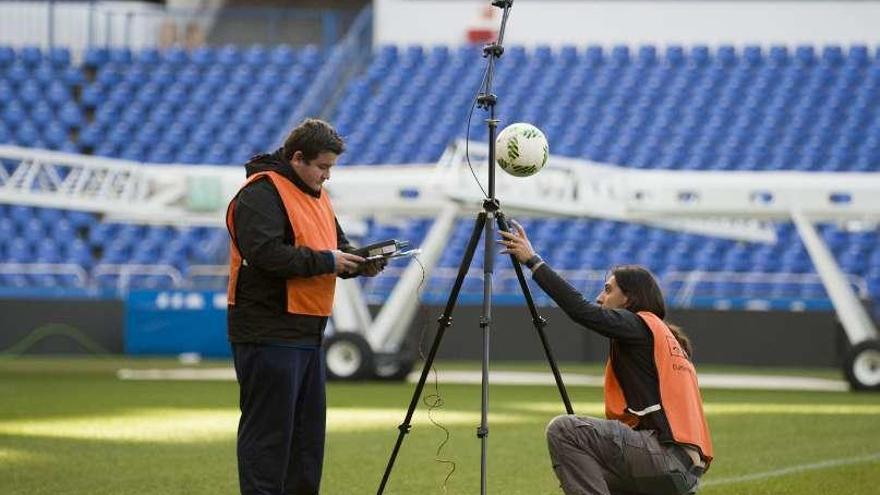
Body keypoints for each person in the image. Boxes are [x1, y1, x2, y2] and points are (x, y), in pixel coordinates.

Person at [226, 118, 385, 495]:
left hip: (308, 333)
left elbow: (336, 247)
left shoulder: (318, 196)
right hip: (267, 331)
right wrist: (330, 262)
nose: (328, 176)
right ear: (297, 158)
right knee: (269, 438)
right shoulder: (260, 193)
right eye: (323, 167)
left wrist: (360, 262)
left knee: (306, 443)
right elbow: (266, 254)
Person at [498, 219, 713, 495]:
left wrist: (533, 262)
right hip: (686, 469)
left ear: (629, 299)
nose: (601, 297)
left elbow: (581, 310)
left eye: (608, 289)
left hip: (664, 457)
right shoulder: (666, 338)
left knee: (565, 430)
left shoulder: (639, 324)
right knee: (592, 468)